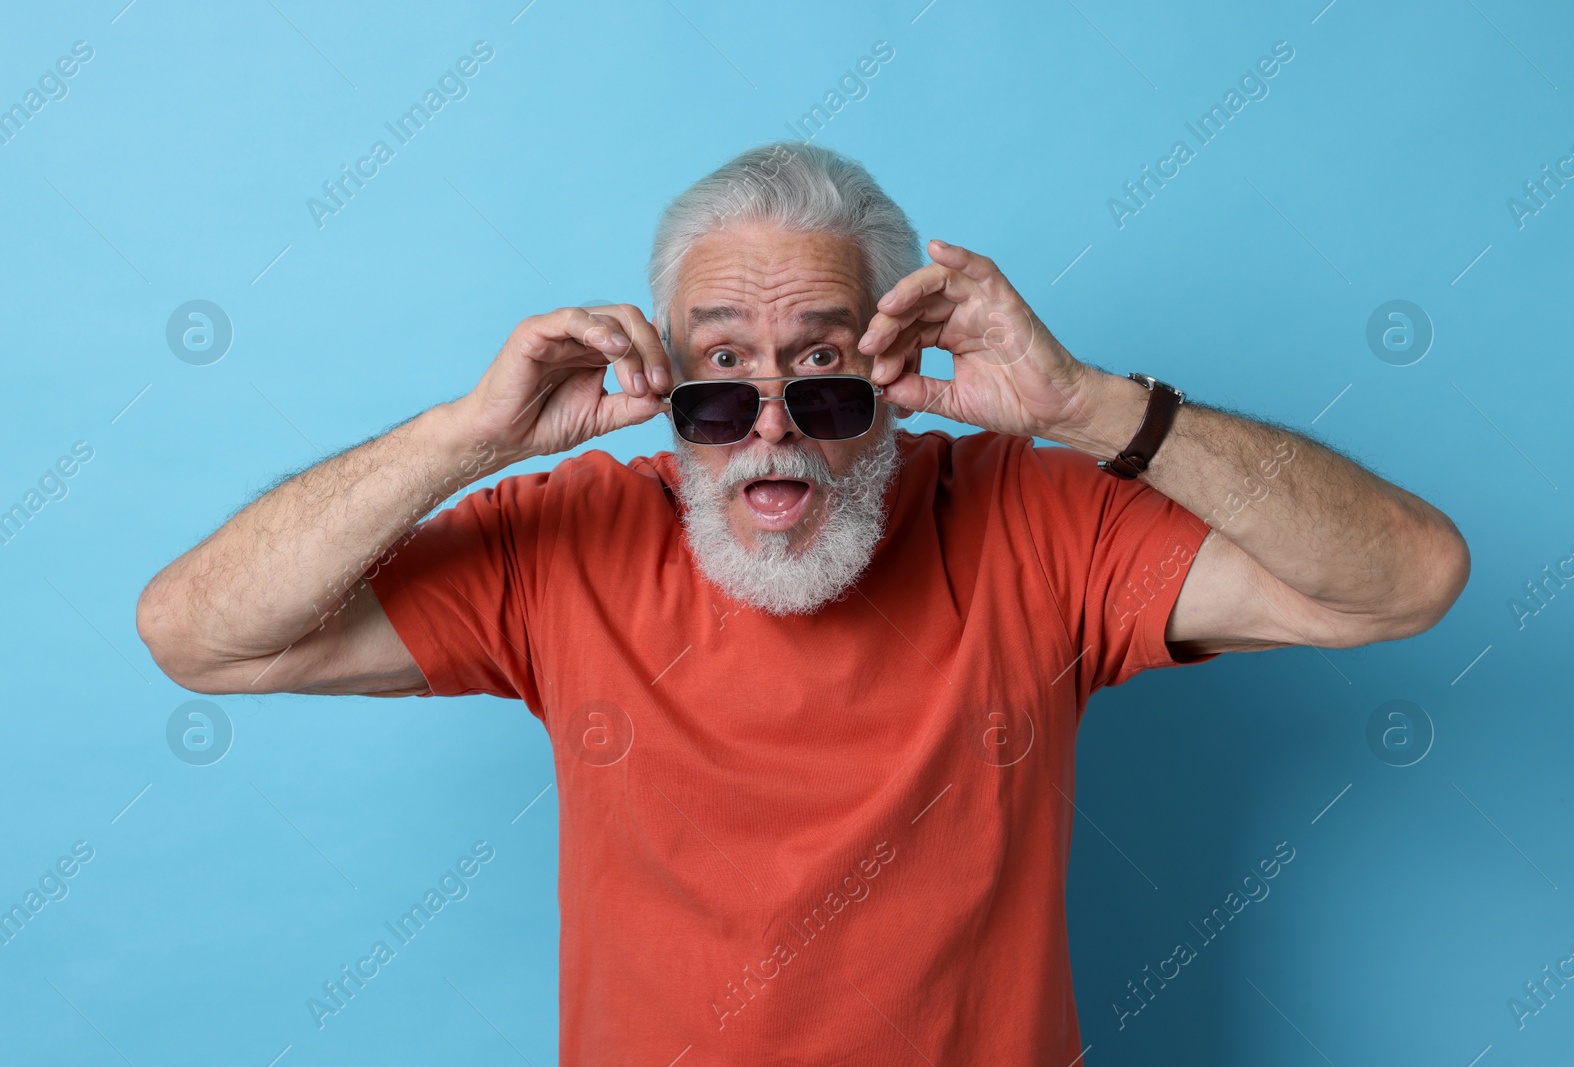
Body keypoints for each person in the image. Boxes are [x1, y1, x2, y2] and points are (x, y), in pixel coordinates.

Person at [135, 141, 1470, 1064]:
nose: (769, 428)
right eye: (720, 377)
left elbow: (1405, 582)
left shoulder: (1035, 519)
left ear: (894, 368)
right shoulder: (567, 540)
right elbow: (198, 633)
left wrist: (1088, 408)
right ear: (659, 383)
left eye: (822, 372)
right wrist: (464, 440)